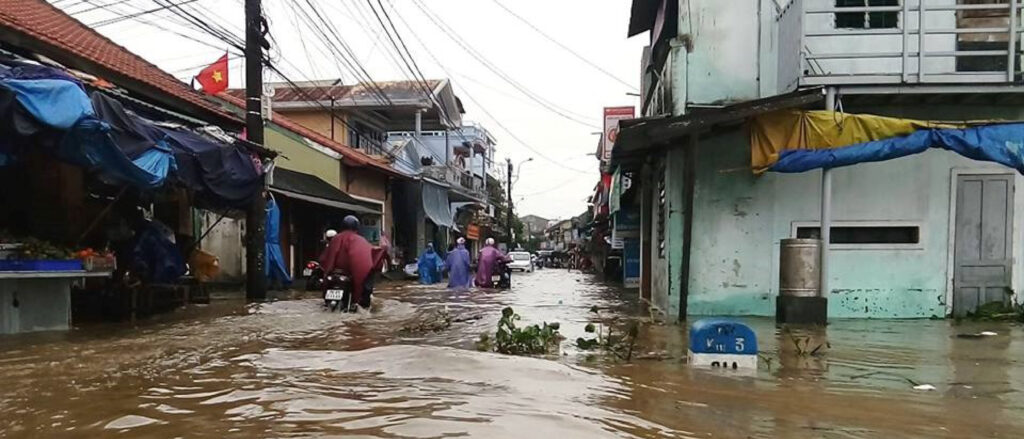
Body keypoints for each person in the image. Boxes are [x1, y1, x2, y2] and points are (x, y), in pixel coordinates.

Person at [319, 216, 375, 311]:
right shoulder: (359, 240)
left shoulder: (335, 239)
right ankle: (362, 305)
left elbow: (324, 258)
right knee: (368, 280)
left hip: (333, 273)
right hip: (349, 274)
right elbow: (364, 260)